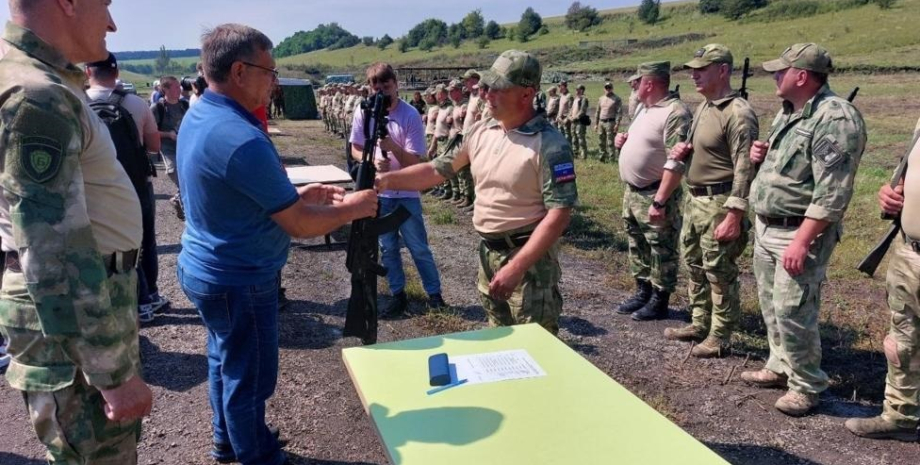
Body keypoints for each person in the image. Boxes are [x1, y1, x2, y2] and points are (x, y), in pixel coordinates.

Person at [176, 23, 377, 465]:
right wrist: (355, 207)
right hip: (239, 277)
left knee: (224, 361)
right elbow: (302, 226)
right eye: (269, 70)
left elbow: (233, 191)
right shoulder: (240, 137)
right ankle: (256, 456)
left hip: (207, 265)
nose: (274, 80)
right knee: (250, 378)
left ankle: (227, 442)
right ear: (239, 71)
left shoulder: (202, 113)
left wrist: (292, 197)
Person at [0, 1, 154, 463]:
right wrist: (113, 374)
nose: (111, 23)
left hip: (81, 312)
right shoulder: (37, 95)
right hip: (74, 319)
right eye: (104, 4)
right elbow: (54, 251)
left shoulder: (42, 82)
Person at [377, 50, 578, 335]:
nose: (487, 94)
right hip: (488, 254)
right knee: (498, 339)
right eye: (487, 87)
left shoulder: (550, 144)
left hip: (528, 264)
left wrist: (516, 266)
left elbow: (559, 214)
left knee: (536, 349)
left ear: (526, 94)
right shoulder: (481, 131)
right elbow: (437, 170)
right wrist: (386, 182)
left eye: (498, 88)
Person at [740, 43, 866, 416]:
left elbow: (832, 191)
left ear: (802, 75)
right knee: (771, 304)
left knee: (793, 308)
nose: (775, 76)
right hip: (768, 227)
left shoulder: (836, 118)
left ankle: (808, 384)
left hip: (798, 232)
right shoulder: (789, 112)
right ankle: (780, 366)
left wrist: (802, 240)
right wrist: (762, 158)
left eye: (781, 71)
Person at [653, 44, 759, 357]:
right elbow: (697, 148)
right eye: (693, 69)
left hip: (720, 201)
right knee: (694, 264)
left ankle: (720, 334)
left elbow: (744, 166)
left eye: (702, 69)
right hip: (695, 199)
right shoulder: (704, 107)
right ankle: (699, 322)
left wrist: (735, 214)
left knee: (718, 270)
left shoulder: (737, 113)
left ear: (723, 70)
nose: (694, 75)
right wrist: (683, 151)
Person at [349, 63, 446, 316]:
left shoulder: (410, 114)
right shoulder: (364, 112)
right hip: (378, 194)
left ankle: (434, 295)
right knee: (388, 248)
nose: (381, 92)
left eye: (386, 86)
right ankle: (397, 294)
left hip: (406, 193)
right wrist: (369, 160)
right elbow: (355, 149)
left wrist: (392, 147)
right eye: (376, 86)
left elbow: (414, 162)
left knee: (418, 247)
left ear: (396, 84)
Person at [845, 117, 920, 441]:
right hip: (909, 251)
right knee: (902, 340)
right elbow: (907, 176)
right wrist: (893, 195)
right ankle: (900, 416)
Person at [86, 52, 170, 324]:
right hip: (135, 182)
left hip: (95, 185)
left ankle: (122, 300)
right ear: (116, 70)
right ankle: (150, 296)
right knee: (145, 239)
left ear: (88, 72)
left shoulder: (78, 103)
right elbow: (155, 147)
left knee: (107, 243)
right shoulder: (135, 102)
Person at [613, 62, 692, 321]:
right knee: (638, 244)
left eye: (638, 82)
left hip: (656, 193)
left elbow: (676, 161)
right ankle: (643, 291)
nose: (634, 87)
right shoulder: (643, 110)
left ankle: (660, 299)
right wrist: (622, 144)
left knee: (661, 249)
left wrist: (660, 201)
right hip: (633, 192)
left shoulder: (675, 112)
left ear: (649, 83)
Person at [152, 75, 189, 220]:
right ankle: (188, 218)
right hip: (169, 150)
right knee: (177, 175)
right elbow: (149, 131)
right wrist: (168, 134)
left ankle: (177, 200)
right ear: (165, 89)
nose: (179, 89)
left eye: (179, 85)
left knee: (188, 181)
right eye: (174, 86)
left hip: (186, 148)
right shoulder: (157, 108)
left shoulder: (184, 105)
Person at [594, 82, 623, 162]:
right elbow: (597, 111)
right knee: (601, 141)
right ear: (604, 89)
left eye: (609, 88)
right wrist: (596, 124)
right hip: (601, 122)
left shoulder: (616, 99)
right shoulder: (601, 99)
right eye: (606, 88)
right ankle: (602, 157)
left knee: (610, 142)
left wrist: (617, 124)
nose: (608, 89)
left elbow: (619, 112)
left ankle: (611, 159)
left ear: (612, 88)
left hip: (610, 122)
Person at [569, 84, 590, 159]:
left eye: (578, 89)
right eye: (576, 89)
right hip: (573, 122)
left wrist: (575, 117)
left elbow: (582, 110)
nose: (576, 91)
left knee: (581, 138)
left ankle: (584, 155)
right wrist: (570, 116)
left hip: (580, 122)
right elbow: (571, 109)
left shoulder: (584, 99)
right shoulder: (575, 99)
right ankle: (575, 154)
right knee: (574, 138)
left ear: (582, 90)